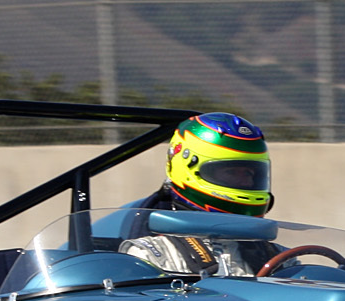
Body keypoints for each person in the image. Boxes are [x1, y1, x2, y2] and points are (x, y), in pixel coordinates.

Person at [115, 112, 275, 276]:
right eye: (232, 172)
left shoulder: (273, 255)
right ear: (189, 169)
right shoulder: (150, 255)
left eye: (249, 173)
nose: (245, 183)